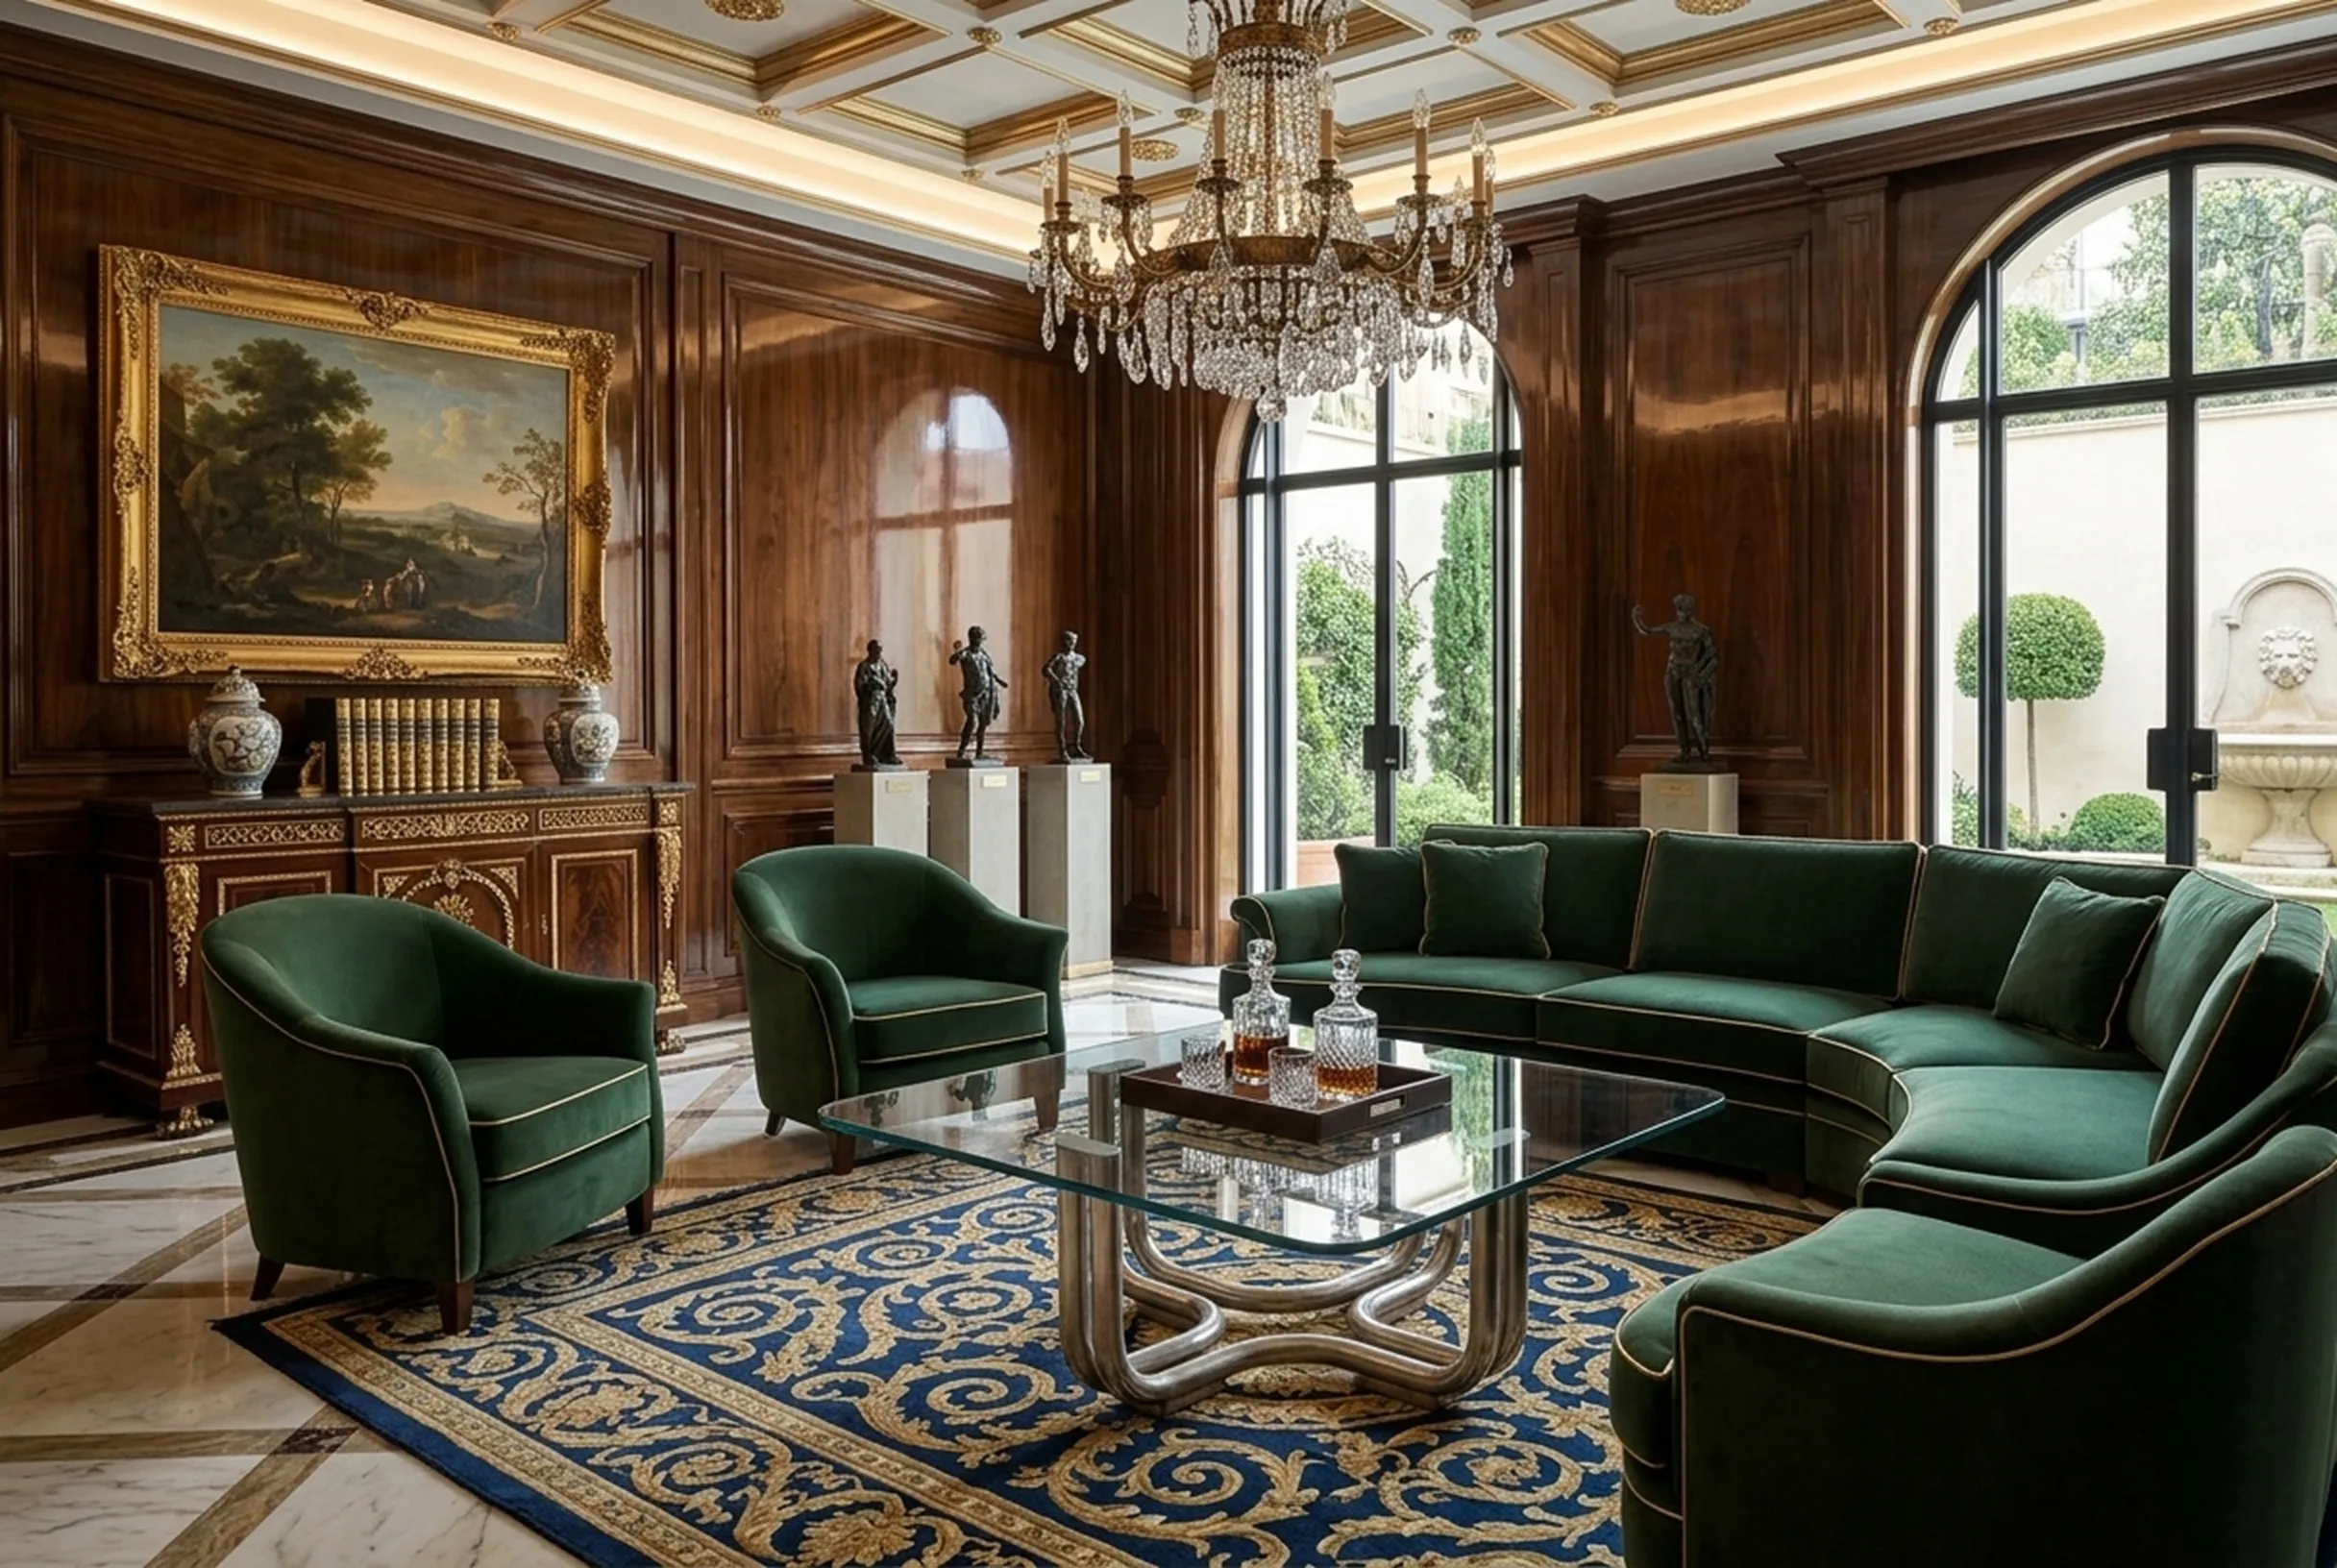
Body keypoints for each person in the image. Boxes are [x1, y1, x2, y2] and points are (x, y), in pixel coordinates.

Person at [1631, 593, 1719, 770]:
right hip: (1673, 672)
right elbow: (1648, 631)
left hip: (1691, 674)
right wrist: (1637, 617)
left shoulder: (1700, 631)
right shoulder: (1671, 628)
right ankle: (1684, 750)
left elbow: (1712, 655)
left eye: (1684, 610)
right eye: (1679, 610)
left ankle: (1703, 750)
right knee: (1677, 713)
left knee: (1695, 715)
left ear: (1690, 611)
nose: (1681, 614)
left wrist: (1700, 672)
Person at [948, 625, 1007, 762]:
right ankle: (961, 750)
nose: (981, 642)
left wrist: (999, 681)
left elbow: (990, 672)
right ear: (973, 639)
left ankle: (979, 752)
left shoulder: (984, 655)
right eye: (979, 639)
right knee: (972, 721)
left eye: (982, 639)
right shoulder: (966, 654)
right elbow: (952, 661)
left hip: (986, 693)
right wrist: (958, 651)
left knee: (983, 724)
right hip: (971, 695)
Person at [852, 639, 902, 770]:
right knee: (869, 729)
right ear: (871, 650)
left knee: (888, 725)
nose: (879, 653)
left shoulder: (883, 665)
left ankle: (888, 755)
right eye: (877, 650)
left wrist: (894, 680)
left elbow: (887, 684)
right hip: (870, 701)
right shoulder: (864, 666)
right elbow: (859, 686)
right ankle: (869, 755)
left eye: (880, 650)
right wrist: (871, 684)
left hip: (882, 700)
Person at [1043, 629, 1089, 762]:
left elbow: (1082, 660)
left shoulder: (1077, 658)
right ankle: (1062, 749)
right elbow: (1046, 669)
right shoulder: (1059, 657)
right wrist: (1057, 680)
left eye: (1074, 641)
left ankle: (1076, 745)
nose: (1072, 643)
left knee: (1080, 720)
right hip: (1061, 691)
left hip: (1072, 690)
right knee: (1061, 721)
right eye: (1070, 641)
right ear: (1065, 641)